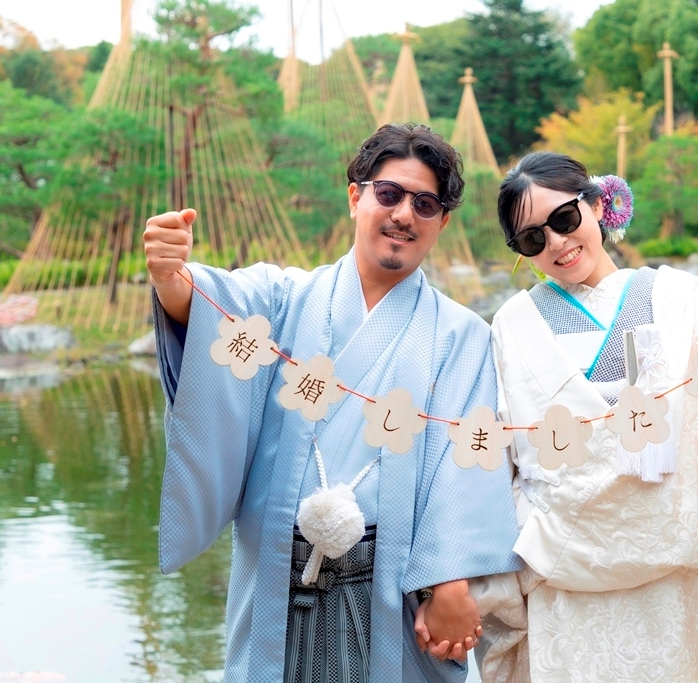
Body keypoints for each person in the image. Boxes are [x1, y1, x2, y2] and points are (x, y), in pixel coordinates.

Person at [143, 123, 521, 683]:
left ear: (441, 222)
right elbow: (208, 309)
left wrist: (449, 582)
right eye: (388, 194)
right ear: (355, 197)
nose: (403, 214)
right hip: (279, 572)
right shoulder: (283, 298)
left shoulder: (460, 335)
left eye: (425, 204)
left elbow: (464, 468)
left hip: (393, 587)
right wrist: (169, 276)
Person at [469, 152, 698, 682]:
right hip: (565, 580)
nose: (556, 242)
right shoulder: (512, 323)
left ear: (598, 206)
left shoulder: (675, 297)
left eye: (565, 219)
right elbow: (502, 454)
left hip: (671, 582)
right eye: (532, 239)